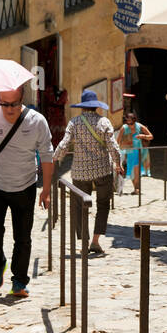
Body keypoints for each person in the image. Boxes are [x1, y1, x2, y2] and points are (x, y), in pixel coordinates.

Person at [0, 86, 54, 298]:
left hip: (25, 185)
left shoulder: (37, 121)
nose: (9, 109)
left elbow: (47, 155)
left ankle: (19, 281)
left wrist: (46, 189)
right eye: (4, 104)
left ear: (22, 100)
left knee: (23, 237)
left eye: (14, 104)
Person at [53, 89, 125, 256]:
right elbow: (113, 147)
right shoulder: (104, 122)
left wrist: (54, 158)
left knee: (79, 207)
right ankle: (95, 240)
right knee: (103, 205)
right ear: (96, 107)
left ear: (83, 107)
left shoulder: (74, 122)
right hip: (102, 170)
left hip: (80, 172)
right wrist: (117, 164)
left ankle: (84, 242)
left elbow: (64, 144)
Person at [116, 110, 153, 196]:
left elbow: (151, 136)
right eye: (128, 123)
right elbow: (117, 141)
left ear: (134, 121)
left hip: (139, 151)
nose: (130, 125)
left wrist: (142, 136)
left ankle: (137, 188)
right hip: (129, 152)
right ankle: (136, 188)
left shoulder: (139, 126)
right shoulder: (124, 128)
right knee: (131, 171)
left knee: (136, 170)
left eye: (131, 123)